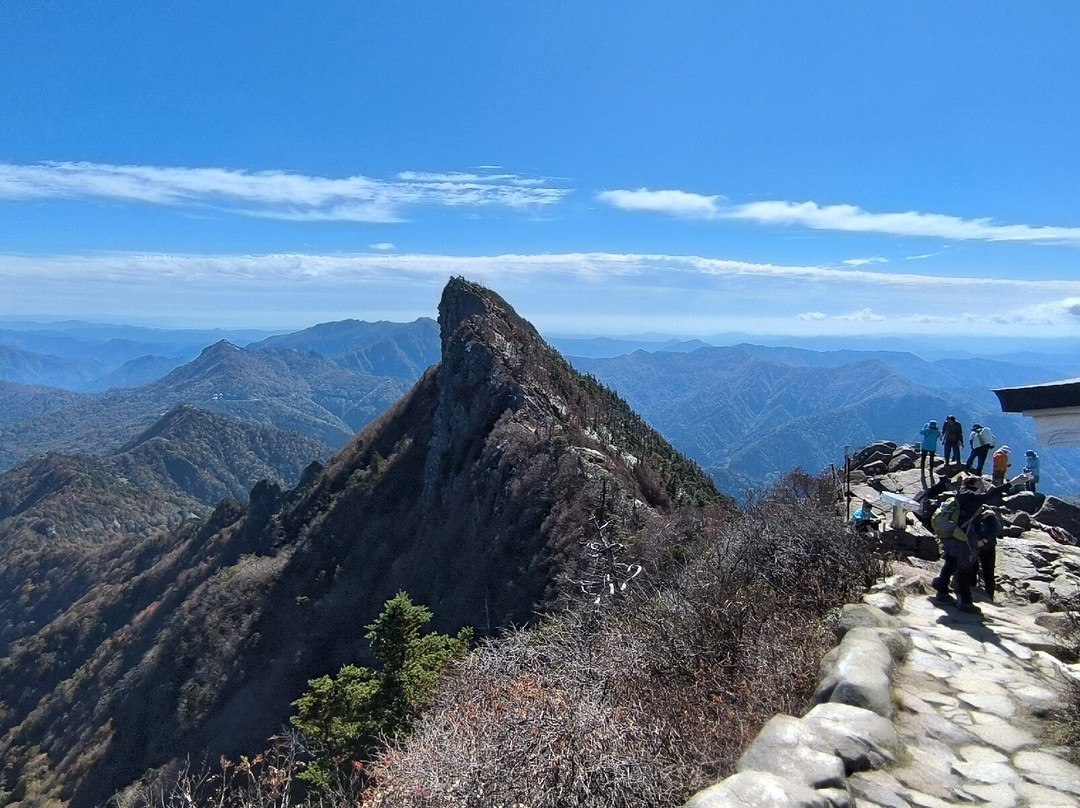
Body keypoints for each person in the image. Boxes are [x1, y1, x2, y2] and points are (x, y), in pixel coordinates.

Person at [932, 475, 1009, 613]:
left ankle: (942, 592)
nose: (983, 487)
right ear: (974, 486)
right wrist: (1015, 482)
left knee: (950, 563)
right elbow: (993, 493)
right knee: (964, 570)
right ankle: (966, 602)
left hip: (953, 535)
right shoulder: (974, 498)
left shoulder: (959, 496)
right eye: (980, 484)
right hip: (965, 538)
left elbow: (964, 515)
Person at [919, 420, 941, 488]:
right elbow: (939, 436)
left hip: (925, 446)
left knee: (923, 458)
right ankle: (931, 470)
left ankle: (922, 469)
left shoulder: (927, 430)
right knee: (931, 459)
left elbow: (921, 432)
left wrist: (925, 426)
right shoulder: (937, 432)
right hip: (932, 447)